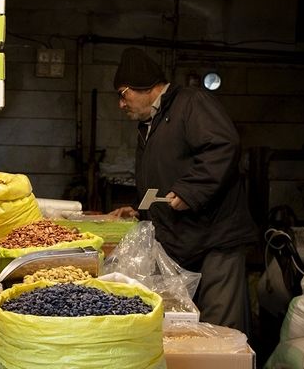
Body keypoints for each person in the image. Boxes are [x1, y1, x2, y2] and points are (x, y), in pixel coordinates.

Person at [110, 47, 258, 334]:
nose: (120, 103)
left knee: (220, 329)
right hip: (186, 240)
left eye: (122, 93)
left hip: (217, 239)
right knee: (189, 327)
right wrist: (140, 207)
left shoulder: (191, 102)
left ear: (145, 86)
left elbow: (223, 146)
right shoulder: (152, 122)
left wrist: (191, 191)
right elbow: (165, 172)